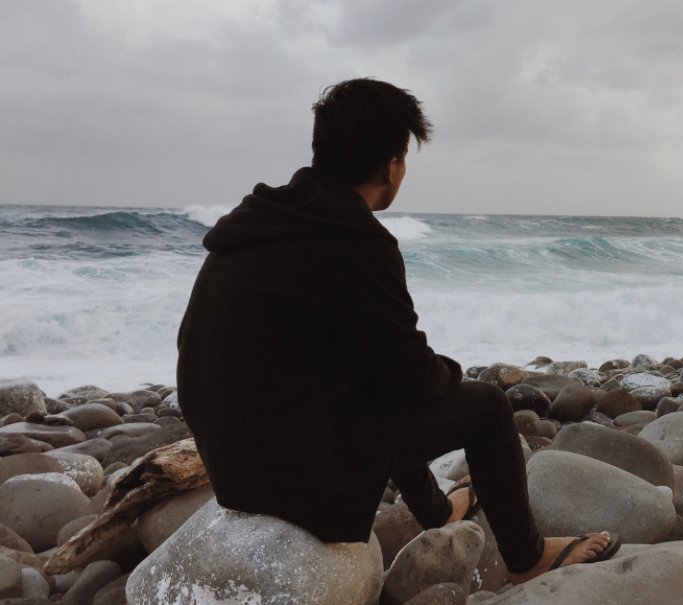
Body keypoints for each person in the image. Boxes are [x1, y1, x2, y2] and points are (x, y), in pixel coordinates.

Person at [176, 78, 617, 585]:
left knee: (369, 386)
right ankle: (526, 557)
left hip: (229, 466)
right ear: (392, 166)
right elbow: (409, 375)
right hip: (290, 481)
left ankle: (437, 512)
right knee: (488, 409)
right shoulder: (357, 241)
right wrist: (450, 373)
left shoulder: (259, 221)